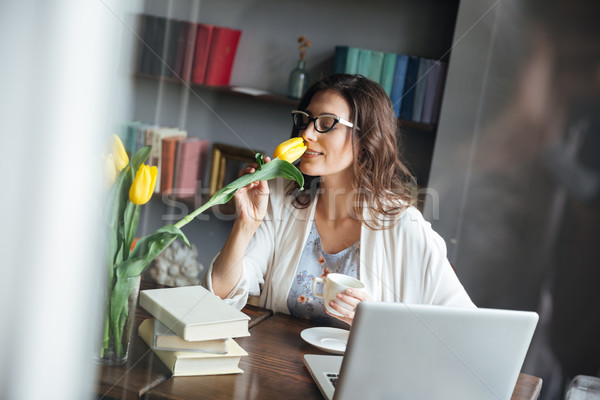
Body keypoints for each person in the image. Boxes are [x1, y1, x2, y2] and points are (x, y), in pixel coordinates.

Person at [203, 74, 474, 325]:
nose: (306, 134)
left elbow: (464, 328)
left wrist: (376, 323)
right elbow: (220, 294)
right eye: (305, 120)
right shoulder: (282, 197)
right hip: (275, 368)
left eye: (326, 123)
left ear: (366, 139)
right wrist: (245, 224)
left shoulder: (405, 226)